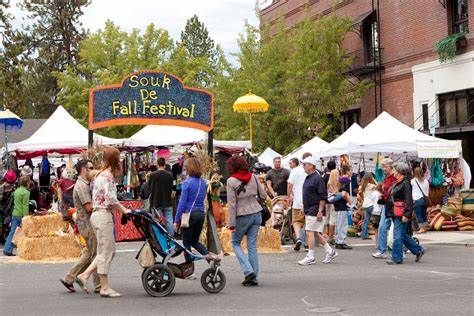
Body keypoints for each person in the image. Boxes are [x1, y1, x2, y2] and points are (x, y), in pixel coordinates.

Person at [76, 147, 131, 298]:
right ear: (115, 159)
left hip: (97, 215)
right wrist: (124, 210)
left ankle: (85, 275)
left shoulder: (100, 174)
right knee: (107, 251)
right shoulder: (108, 176)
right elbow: (111, 199)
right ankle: (104, 287)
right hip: (103, 215)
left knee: (106, 251)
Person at [60, 160, 100, 293]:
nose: (93, 170)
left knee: (89, 253)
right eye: (91, 168)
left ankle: (69, 278)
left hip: (85, 224)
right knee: (96, 255)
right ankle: (99, 285)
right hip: (87, 224)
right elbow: (89, 207)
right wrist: (103, 204)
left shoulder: (84, 184)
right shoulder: (81, 186)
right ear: (84, 170)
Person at [226, 156, 266, 286]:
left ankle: (248, 271)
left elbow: (232, 205)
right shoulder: (253, 177)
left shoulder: (231, 181)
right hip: (256, 213)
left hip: (241, 216)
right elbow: (264, 195)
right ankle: (254, 278)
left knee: (235, 243)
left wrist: (231, 224)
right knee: (252, 246)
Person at [298, 156, 337, 265]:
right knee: (314, 232)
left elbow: (322, 196)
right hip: (310, 208)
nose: (303, 166)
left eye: (305, 164)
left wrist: (320, 211)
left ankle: (311, 257)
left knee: (309, 232)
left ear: (311, 165)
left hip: (315, 209)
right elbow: (309, 194)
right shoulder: (309, 177)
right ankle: (330, 251)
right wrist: (303, 207)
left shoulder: (317, 178)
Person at [174, 158, 214, 264]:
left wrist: (176, 220)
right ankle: (208, 256)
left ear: (188, 168)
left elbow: (182, 204)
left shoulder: (187, 183)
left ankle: (189, 268)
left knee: (186, 243)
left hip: (189, 214)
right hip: (200, 214)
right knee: (194, 241)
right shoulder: (204, 183)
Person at [386, 162, 425, 265]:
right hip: (396, 213)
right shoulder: (399, 182)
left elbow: (409, 200)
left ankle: (396, 258)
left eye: (395, 170)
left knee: (398, 236)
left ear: (399, 172)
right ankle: (419, 250)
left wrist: (407, 214)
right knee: (402, 235)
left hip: (401, 214)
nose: (393, 172)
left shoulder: (406, 183)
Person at [372, 158, 398, 259]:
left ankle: (405, 249)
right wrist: (382, 196)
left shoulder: (395, 177)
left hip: (395, 205)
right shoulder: (386, 177)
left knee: (398, 228)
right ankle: (382, 250)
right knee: (382, 227)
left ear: (390, 166)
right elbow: (386, 191)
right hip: (387, 205)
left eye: (385, 166)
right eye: (382, 167)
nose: (383, 169)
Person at [147, 157, 174, 236]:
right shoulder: (170, 175)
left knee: (159, 222)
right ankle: (171, 238)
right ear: (164, 164)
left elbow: (149, 187)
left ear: (157, 164)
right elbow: (172, 187)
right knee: (169, 221)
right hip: (168, 201)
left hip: (156, 202)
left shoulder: (153, 175)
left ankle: (162, 239)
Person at [3, 176, 30, 256]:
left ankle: (7, 249)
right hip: (21, 214)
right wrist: (26, 216)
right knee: (25, 232)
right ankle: (25, 250)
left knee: (12, 232)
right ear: (27, 183)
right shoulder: (26, 192)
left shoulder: (16, 191)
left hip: (15, 213)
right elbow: (25, 206)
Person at [287, 157, 307, 251]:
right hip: (308, 201)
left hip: (298, 200)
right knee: (307, 222)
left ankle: (298, 238)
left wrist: (288, 196)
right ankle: (307, 243)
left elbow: (290, 184)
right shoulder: (312, 171)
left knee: (296, 222)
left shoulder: (295, 171)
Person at [333, 165, 353, 250]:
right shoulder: (346, 180)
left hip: (337, 203)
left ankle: (338, 241)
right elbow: (344, 194)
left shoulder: (340, 179)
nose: (351, 172)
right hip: (342, 204)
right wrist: (350, 202)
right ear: (347, 171)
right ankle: (341, 242)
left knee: (338, 223)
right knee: (343, 224)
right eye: (351, 170)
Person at [411, 167, 430, 234]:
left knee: (418, 215)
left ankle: (422, 228)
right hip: (424, 200)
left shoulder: (413, 181)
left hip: (417, 200)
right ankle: (425, 228)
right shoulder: (426, 181)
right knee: (423, 214)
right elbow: (427, 192)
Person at [359, 173, 377, 240]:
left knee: (366, 220)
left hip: (366, 205)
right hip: (371, 205)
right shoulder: (371, 185)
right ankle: (377, 235)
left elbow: (360, 193)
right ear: (370, 178)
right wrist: (373, 179)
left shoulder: (362, 186)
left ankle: (364, 235)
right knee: (377, 220)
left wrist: (363, 198)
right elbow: (378, 185)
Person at [325, 169, 341, 245]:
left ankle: (327, 235)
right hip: (334, 201)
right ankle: (331, 237)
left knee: (328, 218)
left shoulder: (329, 183)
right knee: (333, 219)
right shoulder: (338, 183)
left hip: (328, 201)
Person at [370, 183, 383, 249]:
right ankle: (380, 243)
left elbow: (372, 201)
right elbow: (381, 204)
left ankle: (376, 244)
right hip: (379, 212)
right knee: (381, 228)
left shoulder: (373, 193)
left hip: (374, 211)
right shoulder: (380, 194)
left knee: (375, 229)